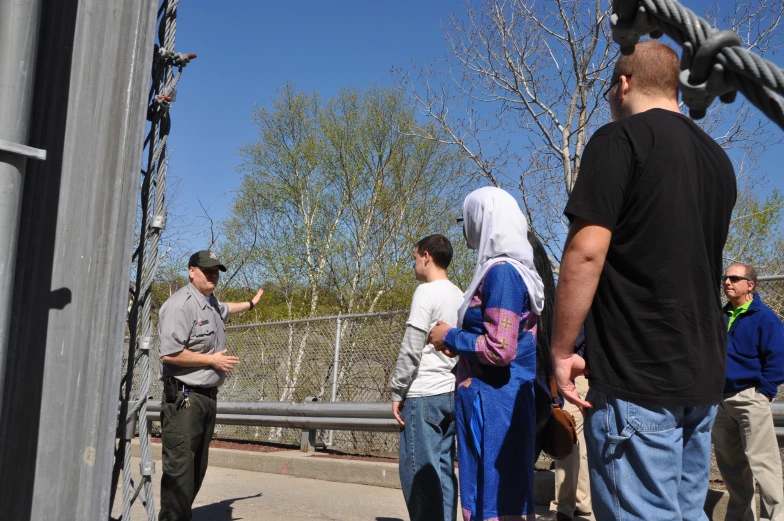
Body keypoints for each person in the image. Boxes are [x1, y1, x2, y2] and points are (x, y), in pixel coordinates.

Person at [550, 41, 736, 521]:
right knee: (686, 512)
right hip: (702, 372)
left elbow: (586, 251)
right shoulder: (718, 161)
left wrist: (561, 348)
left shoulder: (619, 140)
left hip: (638, 373)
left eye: (610, 89)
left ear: (625, 83)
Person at [429, 186, 545, 521]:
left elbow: (500, 349)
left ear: (485, 218)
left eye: (466, 218)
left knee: (495, 501)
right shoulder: (503, 270)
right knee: (492, 497)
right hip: (494, 402)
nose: (464, 226)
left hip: (495, 406)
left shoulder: (503, 273)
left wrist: (449, 334)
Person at [158, 250, 264, 521]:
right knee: (180, 472)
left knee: (196, 470)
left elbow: (228, 308)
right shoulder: (180, 305)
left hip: (206, 398)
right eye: (207, 270)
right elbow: (169, 354)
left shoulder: (211, 303)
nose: (213, 274)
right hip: (185, 400)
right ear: (191, 270)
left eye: (216, 270)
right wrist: (211, 360)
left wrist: (251, 304)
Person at [389, 234, 463, 521]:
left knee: (418, 473)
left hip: (423, 395)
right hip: (450, 392)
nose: (414, 263)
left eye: (415, 257)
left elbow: (411, 348)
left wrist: (398, 392)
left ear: (427, 256)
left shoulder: (426, 292)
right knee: (443, 471)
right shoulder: (459, 294)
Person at [713, 262, 784, 521]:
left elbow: (778, 358)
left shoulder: (765, 318)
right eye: (725, 278)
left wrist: (764, 392)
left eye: (733, 278)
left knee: (764, 467)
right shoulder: (721, 315)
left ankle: (775, 518)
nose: (727, 282)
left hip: (750, 398)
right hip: (720, 401)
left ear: (750, 285)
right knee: (732, 469)